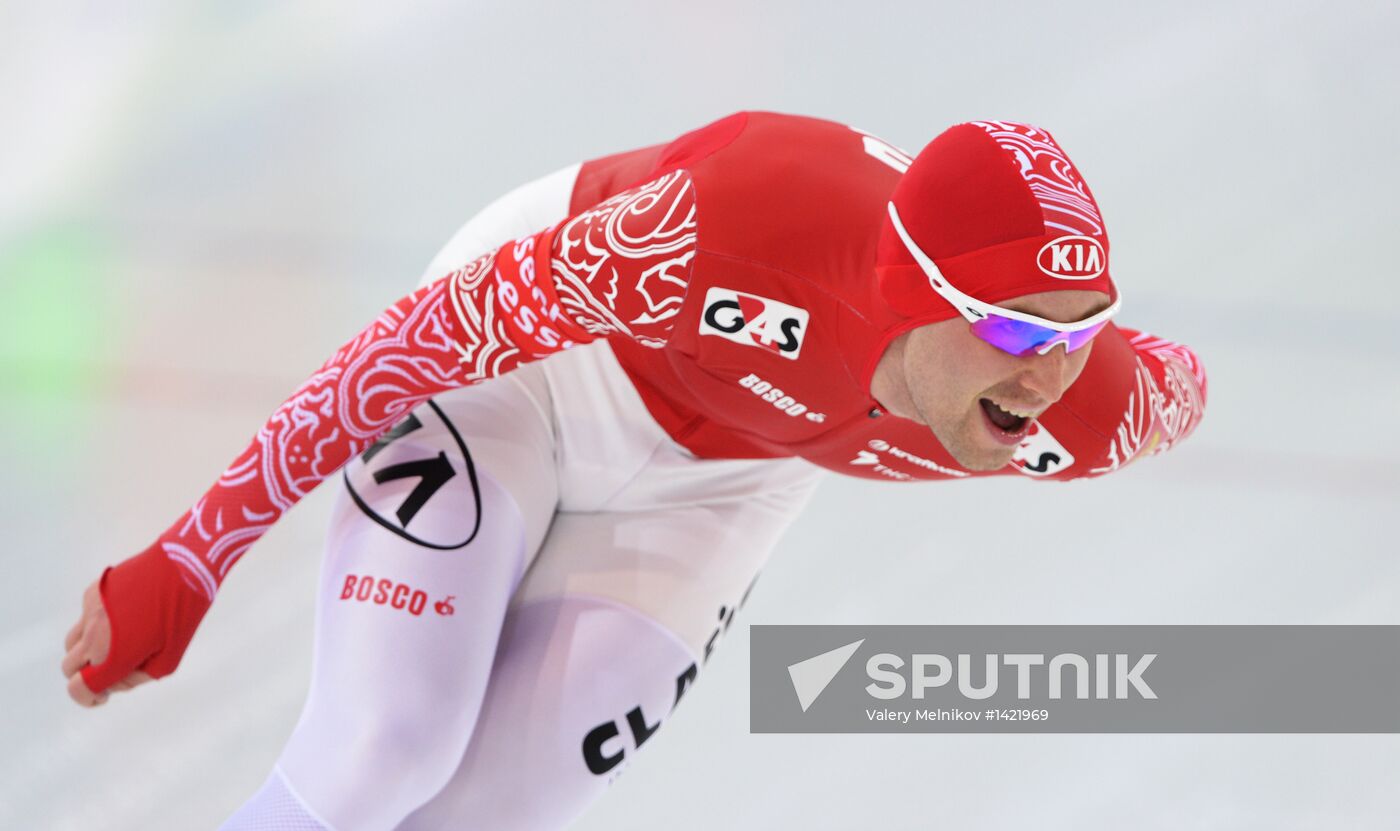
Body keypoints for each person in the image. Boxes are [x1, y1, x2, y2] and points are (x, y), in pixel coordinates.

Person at [61, 112, 1207, 829]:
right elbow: (408, 343)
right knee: (381, 751)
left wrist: (1071, 342)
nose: (1051, 374)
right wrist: (192, 555)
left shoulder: (1089, 411)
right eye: (1015, 332)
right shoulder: (721, 230)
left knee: (481, 816)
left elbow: (1178, 383)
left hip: (728, 478)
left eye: (1078, 329)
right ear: (913, 298)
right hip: (540, 377)